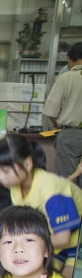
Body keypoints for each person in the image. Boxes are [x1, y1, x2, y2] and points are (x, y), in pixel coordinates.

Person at [0, 133, 82, 278]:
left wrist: (28, 247)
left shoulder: (51, 189)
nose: (0, 178)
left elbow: (63, 238)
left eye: (5, 171)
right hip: (52, 243)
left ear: (27, 164)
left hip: (75, 243)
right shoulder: (15, 189)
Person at [43, 42, 82, 187]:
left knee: (68, 180)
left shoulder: (66, 78)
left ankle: (70, 209)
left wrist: (56, 122)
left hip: (70, 134)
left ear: (69, 58)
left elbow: (51, 110)